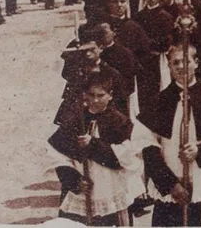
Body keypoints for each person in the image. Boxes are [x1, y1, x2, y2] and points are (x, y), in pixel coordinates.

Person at [135, 43, 201, 226]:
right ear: (169, 66)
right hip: (170, 186)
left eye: (186, 61)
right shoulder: (161, 100)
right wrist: (170, 184)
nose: (181, 67)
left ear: (196, 63)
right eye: (175, 62)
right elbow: (144, 144)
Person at [48, 71, 144, 226]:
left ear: (110, 95)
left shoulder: (120, 122)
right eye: (91, 95)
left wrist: (93, 145)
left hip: (110, 190)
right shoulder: (76, 120)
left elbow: (124, 160)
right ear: (85, 95)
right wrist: (75, 181)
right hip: (82, 190)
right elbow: (58, 155)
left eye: (100, 95)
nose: (95, 100)